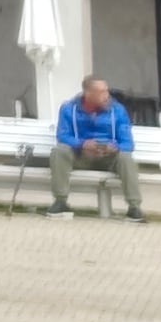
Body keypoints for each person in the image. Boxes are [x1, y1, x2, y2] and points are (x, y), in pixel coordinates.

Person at [43, 77, 142, 220]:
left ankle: (134, 208)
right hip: (81, 156)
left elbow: (128, 143)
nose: (106, 96)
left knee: (126, 158)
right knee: (59, 151)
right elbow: (62, 136)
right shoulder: (69, 109)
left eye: (106, 91)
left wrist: (114, 147)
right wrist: (82, 144)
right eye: (101, 92)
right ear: (88, 93)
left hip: (109, 159)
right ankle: (60, 202)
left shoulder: (118, 110)